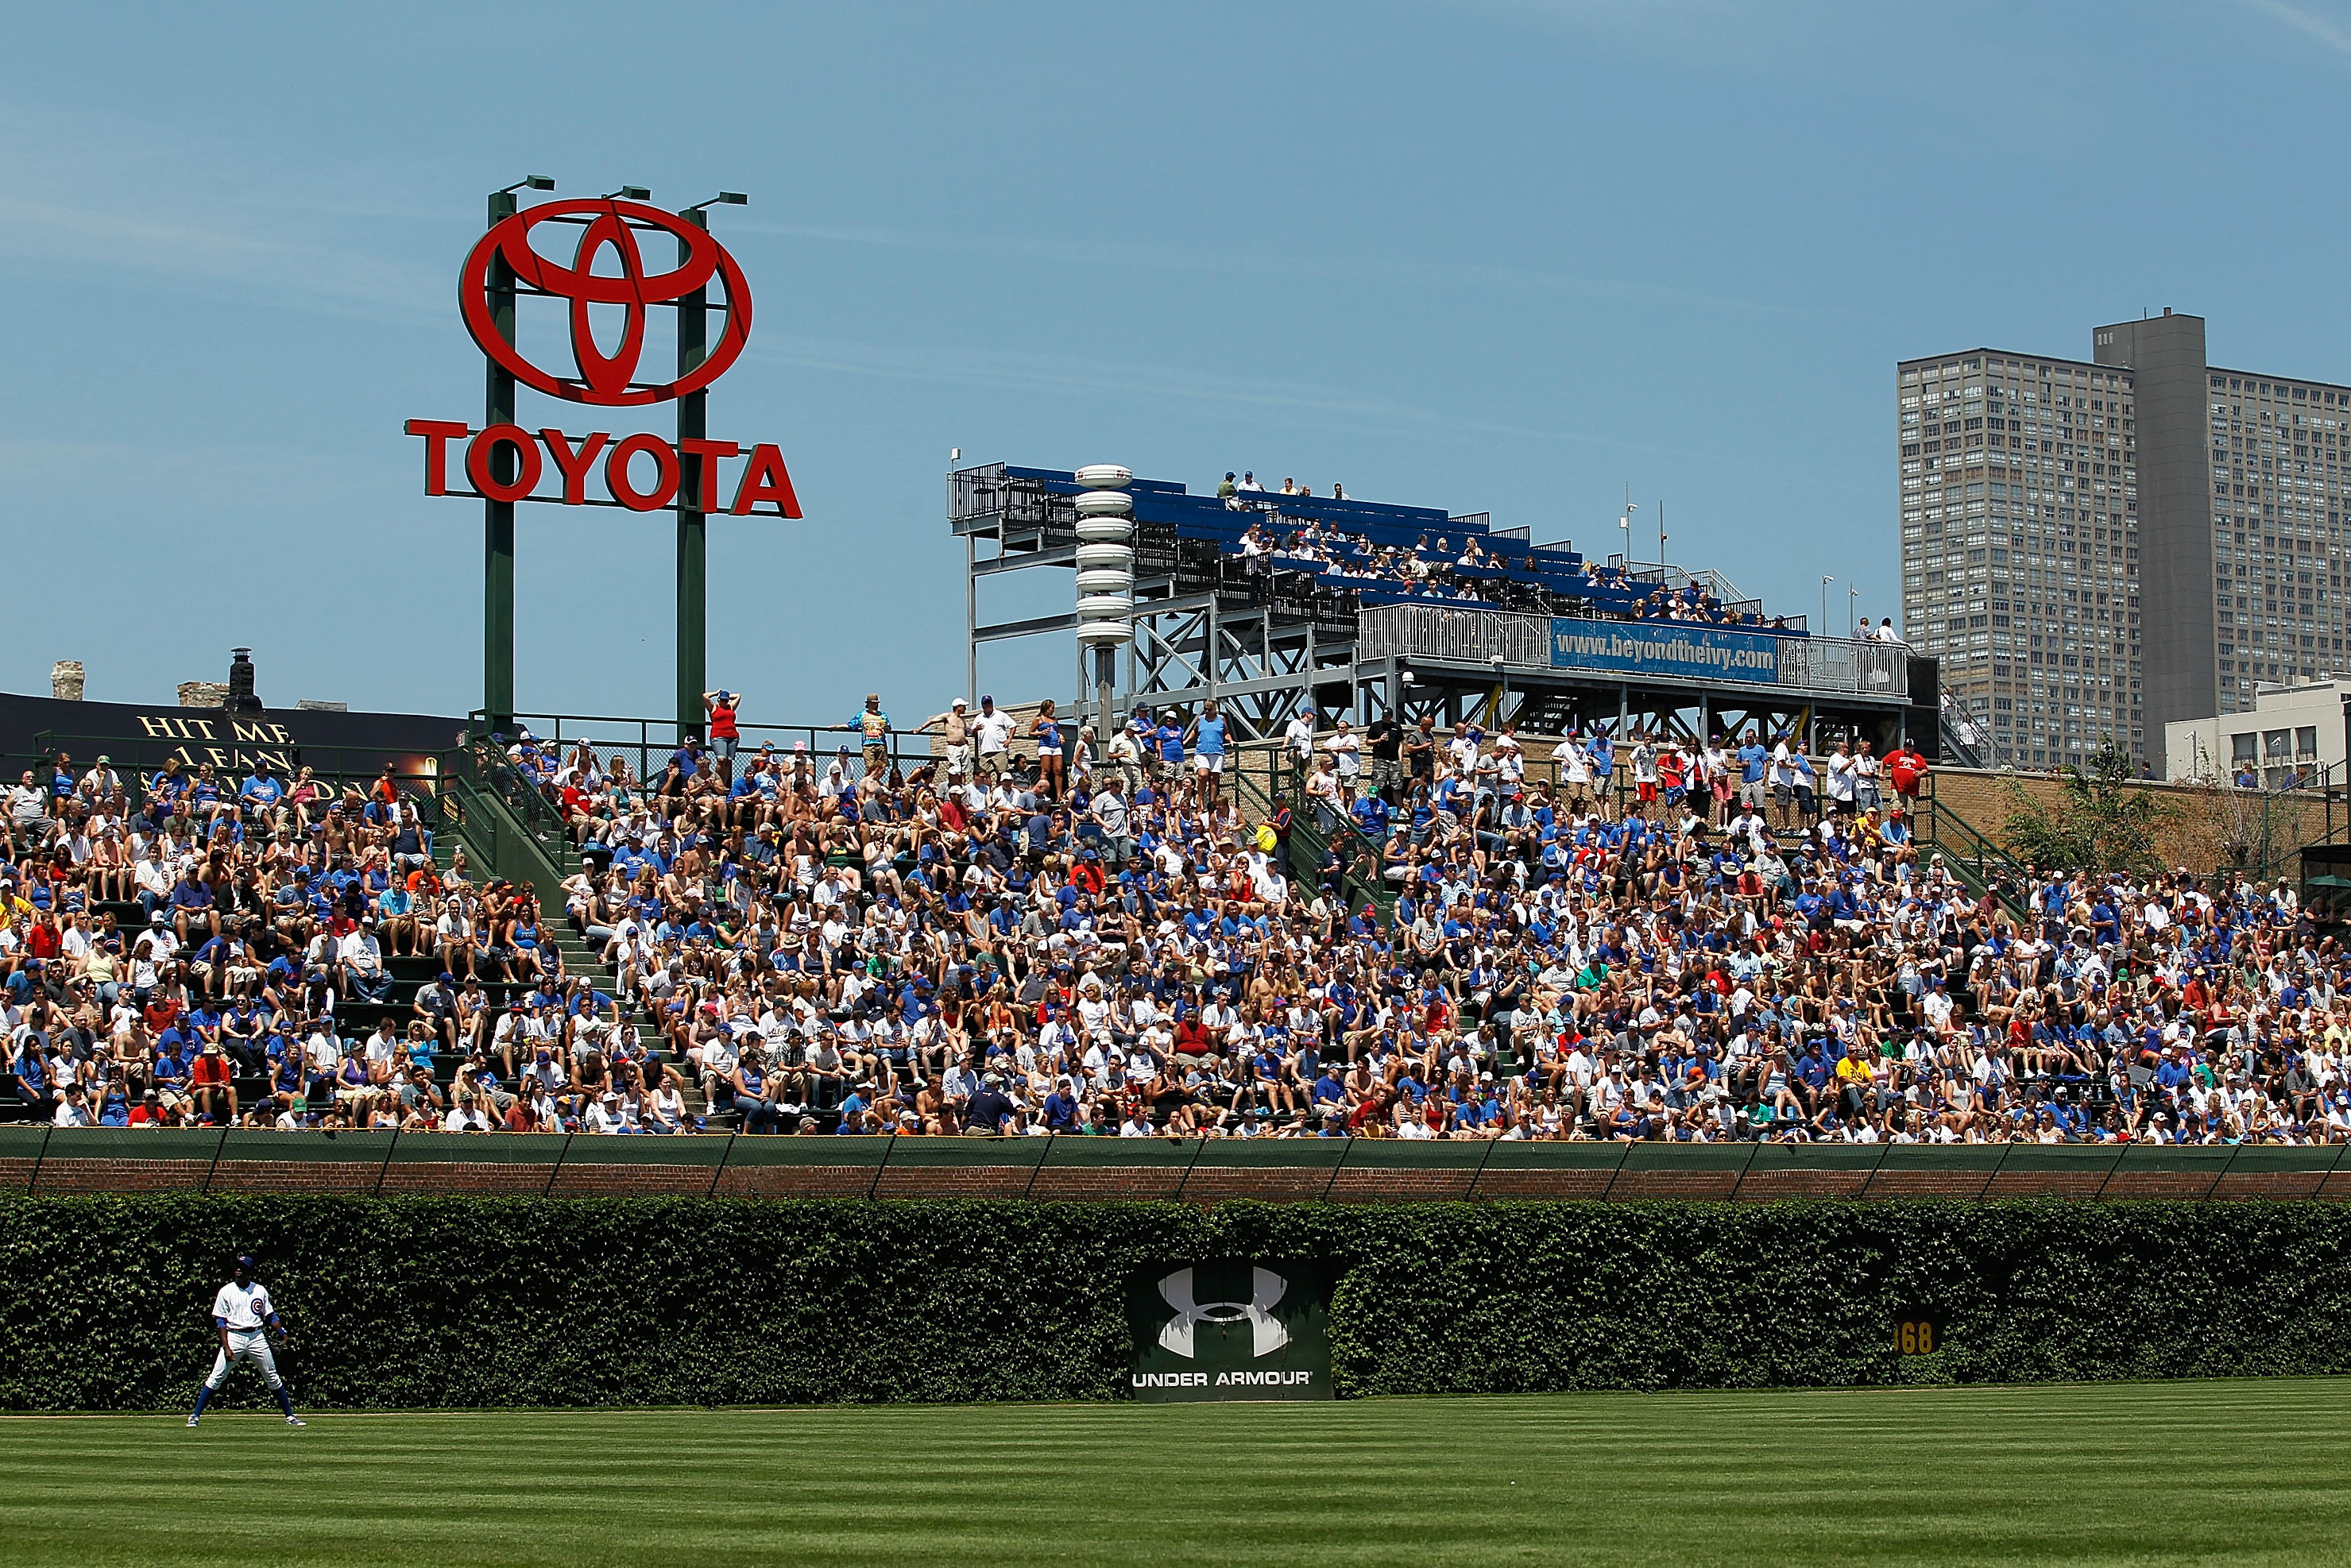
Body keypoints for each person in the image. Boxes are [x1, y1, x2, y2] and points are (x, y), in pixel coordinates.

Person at [188, 1254, 305, 1427]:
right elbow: (220, 1321)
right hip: (234, 1336)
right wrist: (226, 1347)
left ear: (250, 1272)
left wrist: (282, 1333)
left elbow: (270, 1315)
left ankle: (290, 1416)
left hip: (257, 1336)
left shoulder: (259, 1290)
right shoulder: (226, 1291)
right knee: (217, 1376)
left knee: (272, 1377)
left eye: (242, 1268)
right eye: (237, 1267)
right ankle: (194, 1416)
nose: (238, 1270)